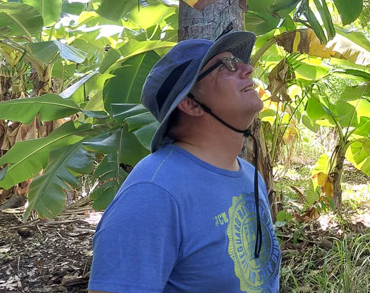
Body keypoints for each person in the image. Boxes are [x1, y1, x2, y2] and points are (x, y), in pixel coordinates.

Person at [88, 31, 281, 293]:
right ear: (191, 104)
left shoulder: (248, 174)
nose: (247, 68)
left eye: (239, 61)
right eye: (227, 65)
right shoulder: (153, 193)